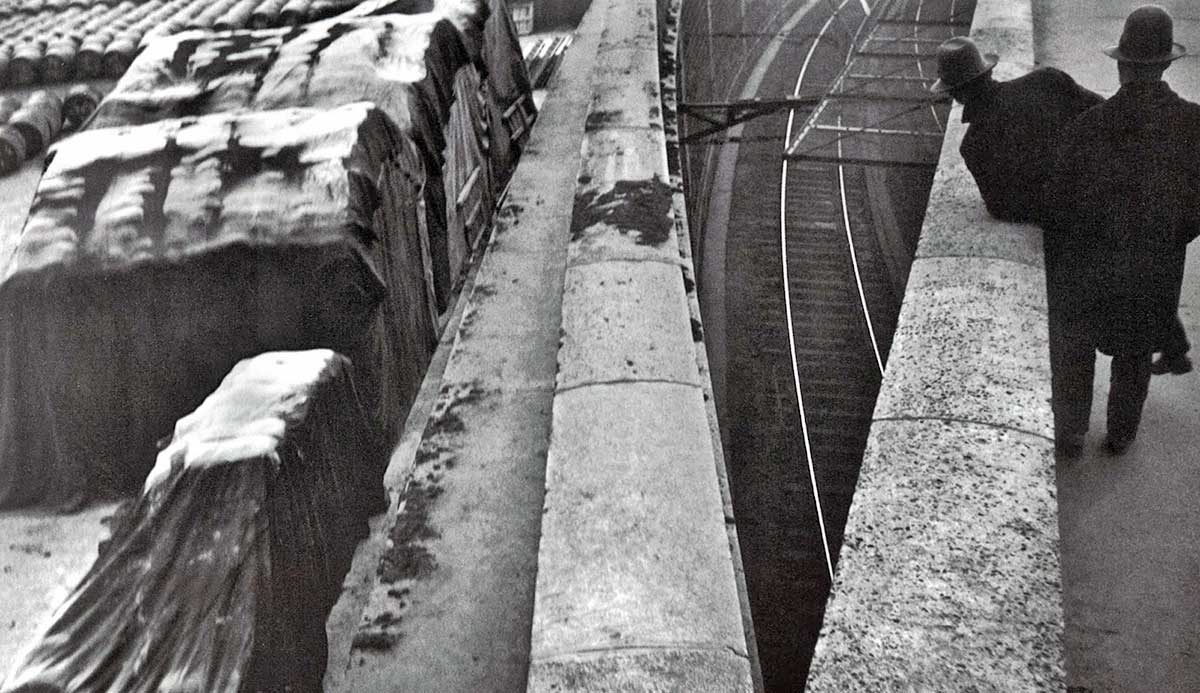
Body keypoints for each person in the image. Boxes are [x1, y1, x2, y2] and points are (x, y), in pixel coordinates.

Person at [1042, 4, 1200, 457]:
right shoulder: (1194, 125)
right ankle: (1121, 434)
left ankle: (1072, 430)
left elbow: (1059, 205)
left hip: (1091, 266)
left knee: (1076, 348)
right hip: (1156, 267)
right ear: (1168, 63)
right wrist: (1169, 235)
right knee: (1134, 356)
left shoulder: (1086, 127)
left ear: (1122, 66)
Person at [931, 36, 1102, 225]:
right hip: (1110, 186)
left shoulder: (973, 146)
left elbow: (1003, 208)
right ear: (986, 71)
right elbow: (1104, 111)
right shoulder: (1047, 79)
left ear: (956, 94)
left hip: (1080, 221)